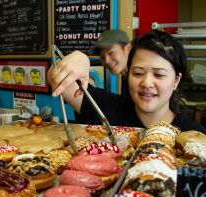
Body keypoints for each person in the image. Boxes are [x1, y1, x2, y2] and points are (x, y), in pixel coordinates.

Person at [48, 30, 206, 133]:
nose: (147, 83)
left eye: (159, 75)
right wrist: (79, 59)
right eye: (138, 73)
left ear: (176, 80)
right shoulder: (106, 109)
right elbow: (53, 77)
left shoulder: (194, 135)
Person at [92, 29, 131, 95]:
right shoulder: (126, 78)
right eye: (102, 57)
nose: (106, 61)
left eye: (111, 53)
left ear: (127, 48)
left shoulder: (139, 80)